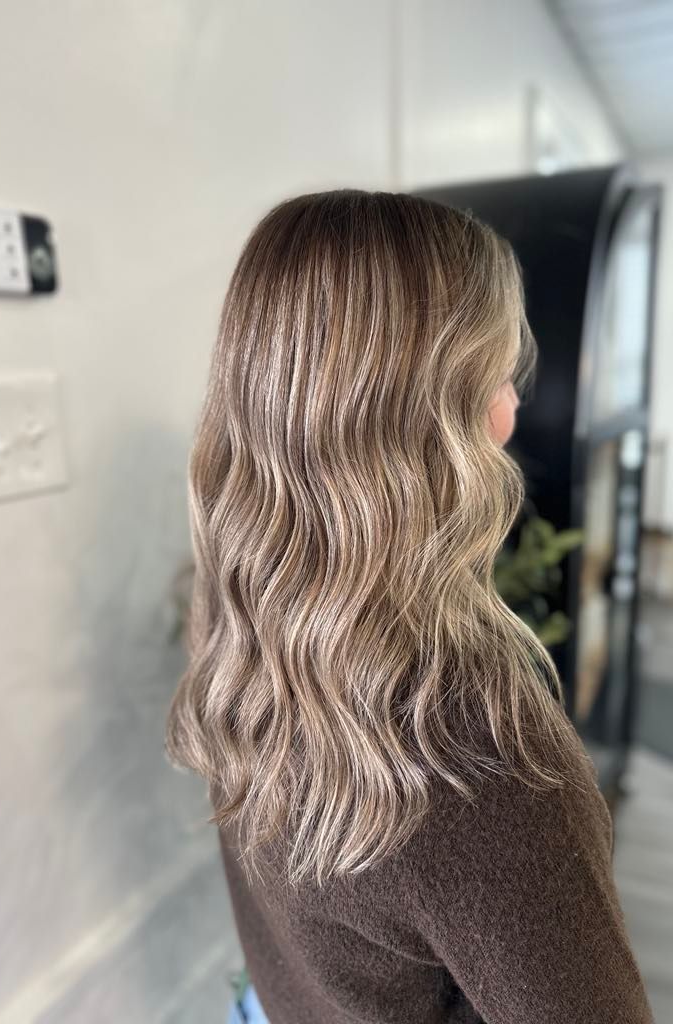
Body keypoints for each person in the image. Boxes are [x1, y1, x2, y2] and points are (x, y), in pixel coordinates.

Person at [166, 190, 654, 1024]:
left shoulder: (235, 602)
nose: (511, 408)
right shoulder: (481, 753)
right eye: (500, 376)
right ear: (433, 420)